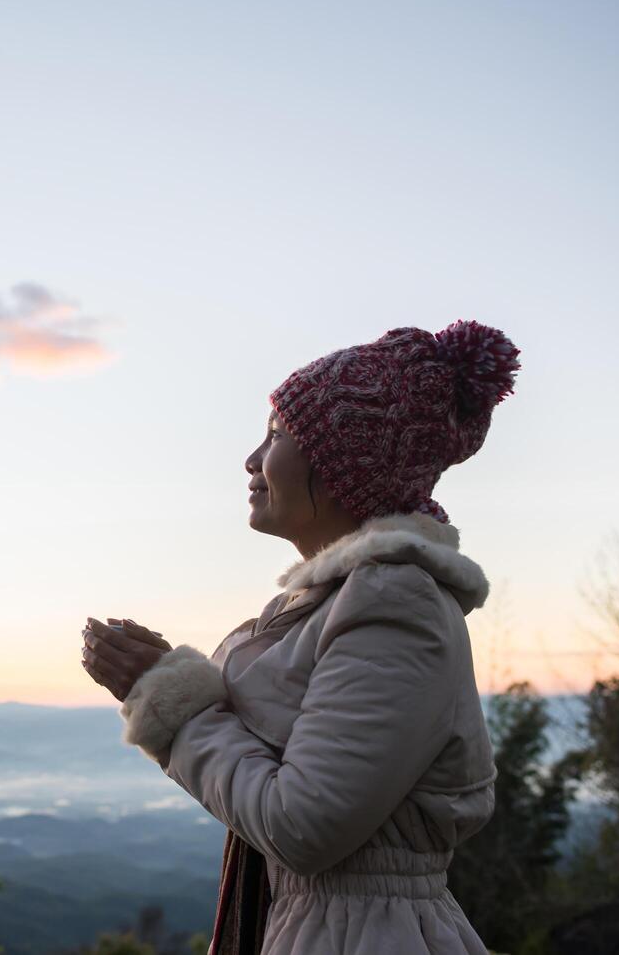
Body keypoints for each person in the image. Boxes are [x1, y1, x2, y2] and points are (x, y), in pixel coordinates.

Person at [80, 320, 520, 955]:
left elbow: (303, 825)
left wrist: (169, 707)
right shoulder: (331, 605)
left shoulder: (396, 604)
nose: (253, 460)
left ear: (347, 463)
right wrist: (159, 682)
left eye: (279, 434)